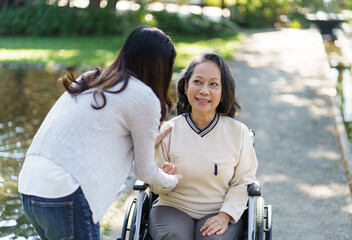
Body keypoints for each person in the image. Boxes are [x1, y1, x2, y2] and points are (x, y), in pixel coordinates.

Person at [18, 25, 182, 239]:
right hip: (65, 193)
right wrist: (174, 180)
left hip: (30, 187)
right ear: (162, 68)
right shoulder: (144, 97)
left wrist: (147, 141)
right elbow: (145, 172)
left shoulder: (92, 78)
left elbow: (96, 141)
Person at [148, 52, 258, 240]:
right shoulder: (168, 130)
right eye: (197, 82)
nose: (204, 91)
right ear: (186, 85)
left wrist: (225, 215)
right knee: (176, 237)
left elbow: (243, 182)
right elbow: (154, 186)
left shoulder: (238, 132)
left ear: (223, 92)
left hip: (219, 209)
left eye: (213, 84)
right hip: (172, 206)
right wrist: (166, 179)